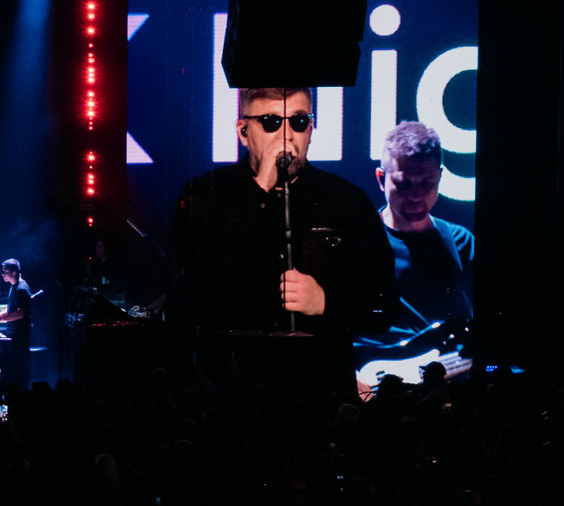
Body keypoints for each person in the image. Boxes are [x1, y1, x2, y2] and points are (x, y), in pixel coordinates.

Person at [168, 86, 394, 364]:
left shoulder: (347, 201)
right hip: (230, 377)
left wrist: (326, 301)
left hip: (317, 378)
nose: (286, 135)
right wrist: (260, 191)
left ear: (311, 128)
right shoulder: (205, 194)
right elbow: (185, 296)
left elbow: (383, 305)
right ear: (243, 132)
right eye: (270, 122)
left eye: (298, 121)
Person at [372, 121, 474, 342]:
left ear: (440, 178)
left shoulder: (461, 243)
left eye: (426, 183)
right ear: (381, 179)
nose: (416, 195)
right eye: (404, 184)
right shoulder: (358, 240)